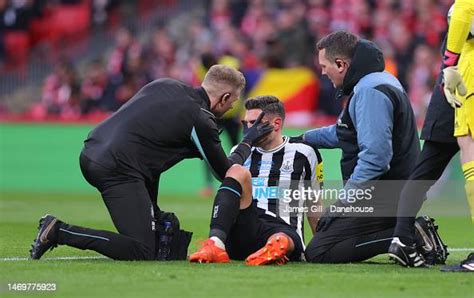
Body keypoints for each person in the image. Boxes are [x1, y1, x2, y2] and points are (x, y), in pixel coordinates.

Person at [29, 65, 273, 261]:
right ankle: (58, 231)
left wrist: (153, 212)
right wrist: (248, 141)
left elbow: (151, 148)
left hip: (96, 150)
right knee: (142, 250)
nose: (233, 107)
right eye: (233, 102)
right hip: (117, 168)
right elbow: (225, 172)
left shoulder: (164, 84)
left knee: (156, 236)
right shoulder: (200, 119)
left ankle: (149, 222)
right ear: (225, 97)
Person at [302, 30, 428, 264]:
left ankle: (408, 235)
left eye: (324, 65)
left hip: (386, 194)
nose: (322, 71)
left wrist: (342, 202)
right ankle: (403, 230)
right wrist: (304, 138)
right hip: (395, 191)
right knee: (325, 239)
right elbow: (343, 133)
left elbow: (376, 158)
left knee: (320, 250)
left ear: (340, 64)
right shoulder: (375, 81)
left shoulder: (369, 91)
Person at [189, 96, 323, 265]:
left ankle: (275, 248)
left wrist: (321, 244)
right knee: (236, 171)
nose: (248, 129)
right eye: (245, 124)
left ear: (276, 124)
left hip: (281, 227)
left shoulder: (304, 153)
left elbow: (314, 203)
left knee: (281, 237)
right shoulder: (240, 150)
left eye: (254, 123)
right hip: (245, 226)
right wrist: (247, 143)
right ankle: (216, 244)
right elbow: (226, 178)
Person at [391, 0, 474, 271]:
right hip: (460, 93)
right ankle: (402, 237)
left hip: (446, 99)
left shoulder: (457, 14)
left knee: (423, 173)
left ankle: (401, 238)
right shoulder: (462, 12)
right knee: (424, 174)